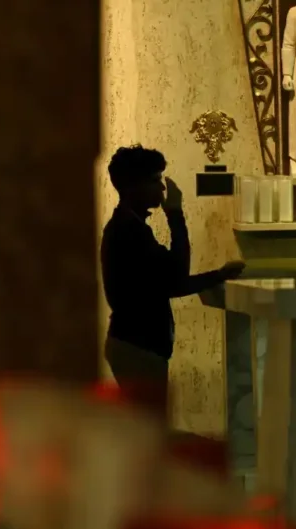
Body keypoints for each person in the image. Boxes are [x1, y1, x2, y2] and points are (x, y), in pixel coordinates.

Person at [101, 145, 246, 421]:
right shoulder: (128, 231)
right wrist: (175, 215)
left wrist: (219, 274)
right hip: (137, 348)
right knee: (149, 431)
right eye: (155, 180)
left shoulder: (129, 226)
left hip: (136, 345)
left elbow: (167, 281)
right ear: (135, 186)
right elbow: (175, 279)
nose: (162, 189)